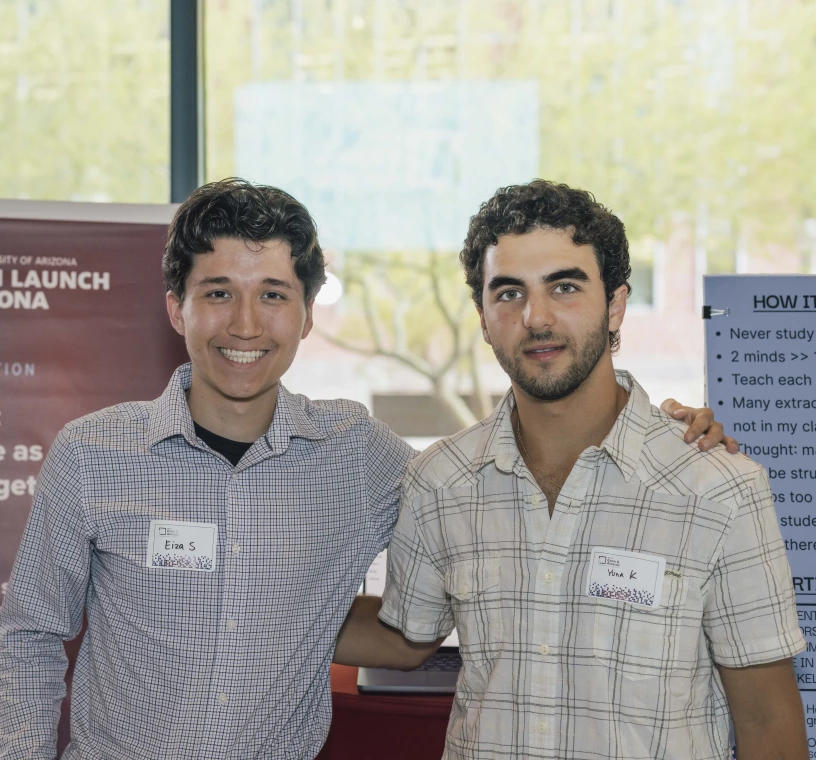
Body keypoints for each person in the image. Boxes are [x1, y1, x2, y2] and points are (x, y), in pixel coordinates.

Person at [0, 178, 732, 760]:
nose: (246, 324)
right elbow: (29, 638)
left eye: (273, 296)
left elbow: (489, 488)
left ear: (307, 314)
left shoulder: (359, 454)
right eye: (218, 294)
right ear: (177, 309)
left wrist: (659, 436)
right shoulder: (92, 456)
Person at [334, 179, 805, 759]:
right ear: (482, 317)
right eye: (508, 293)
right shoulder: (441, 481)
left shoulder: (718, 489)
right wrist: (240, 602)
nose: (536, 317)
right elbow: (406, 634)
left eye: (564, 286)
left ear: (616, 305)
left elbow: (768, 721)